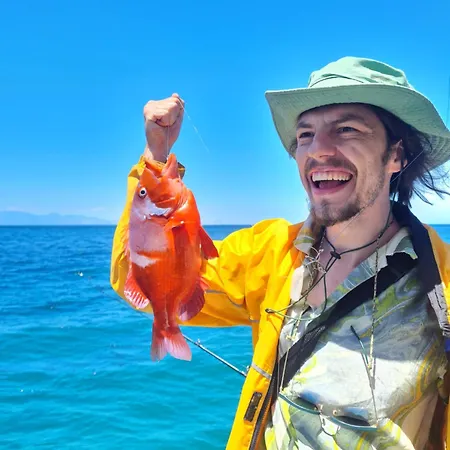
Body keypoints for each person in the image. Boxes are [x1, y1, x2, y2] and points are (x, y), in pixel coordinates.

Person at [110, 57, 450, 449]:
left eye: (347, 129)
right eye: (305, 135)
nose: (318, 149)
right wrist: (154, 160)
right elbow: (137, 275)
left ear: (396, 155)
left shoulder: (441, 281)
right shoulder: (269, 253)